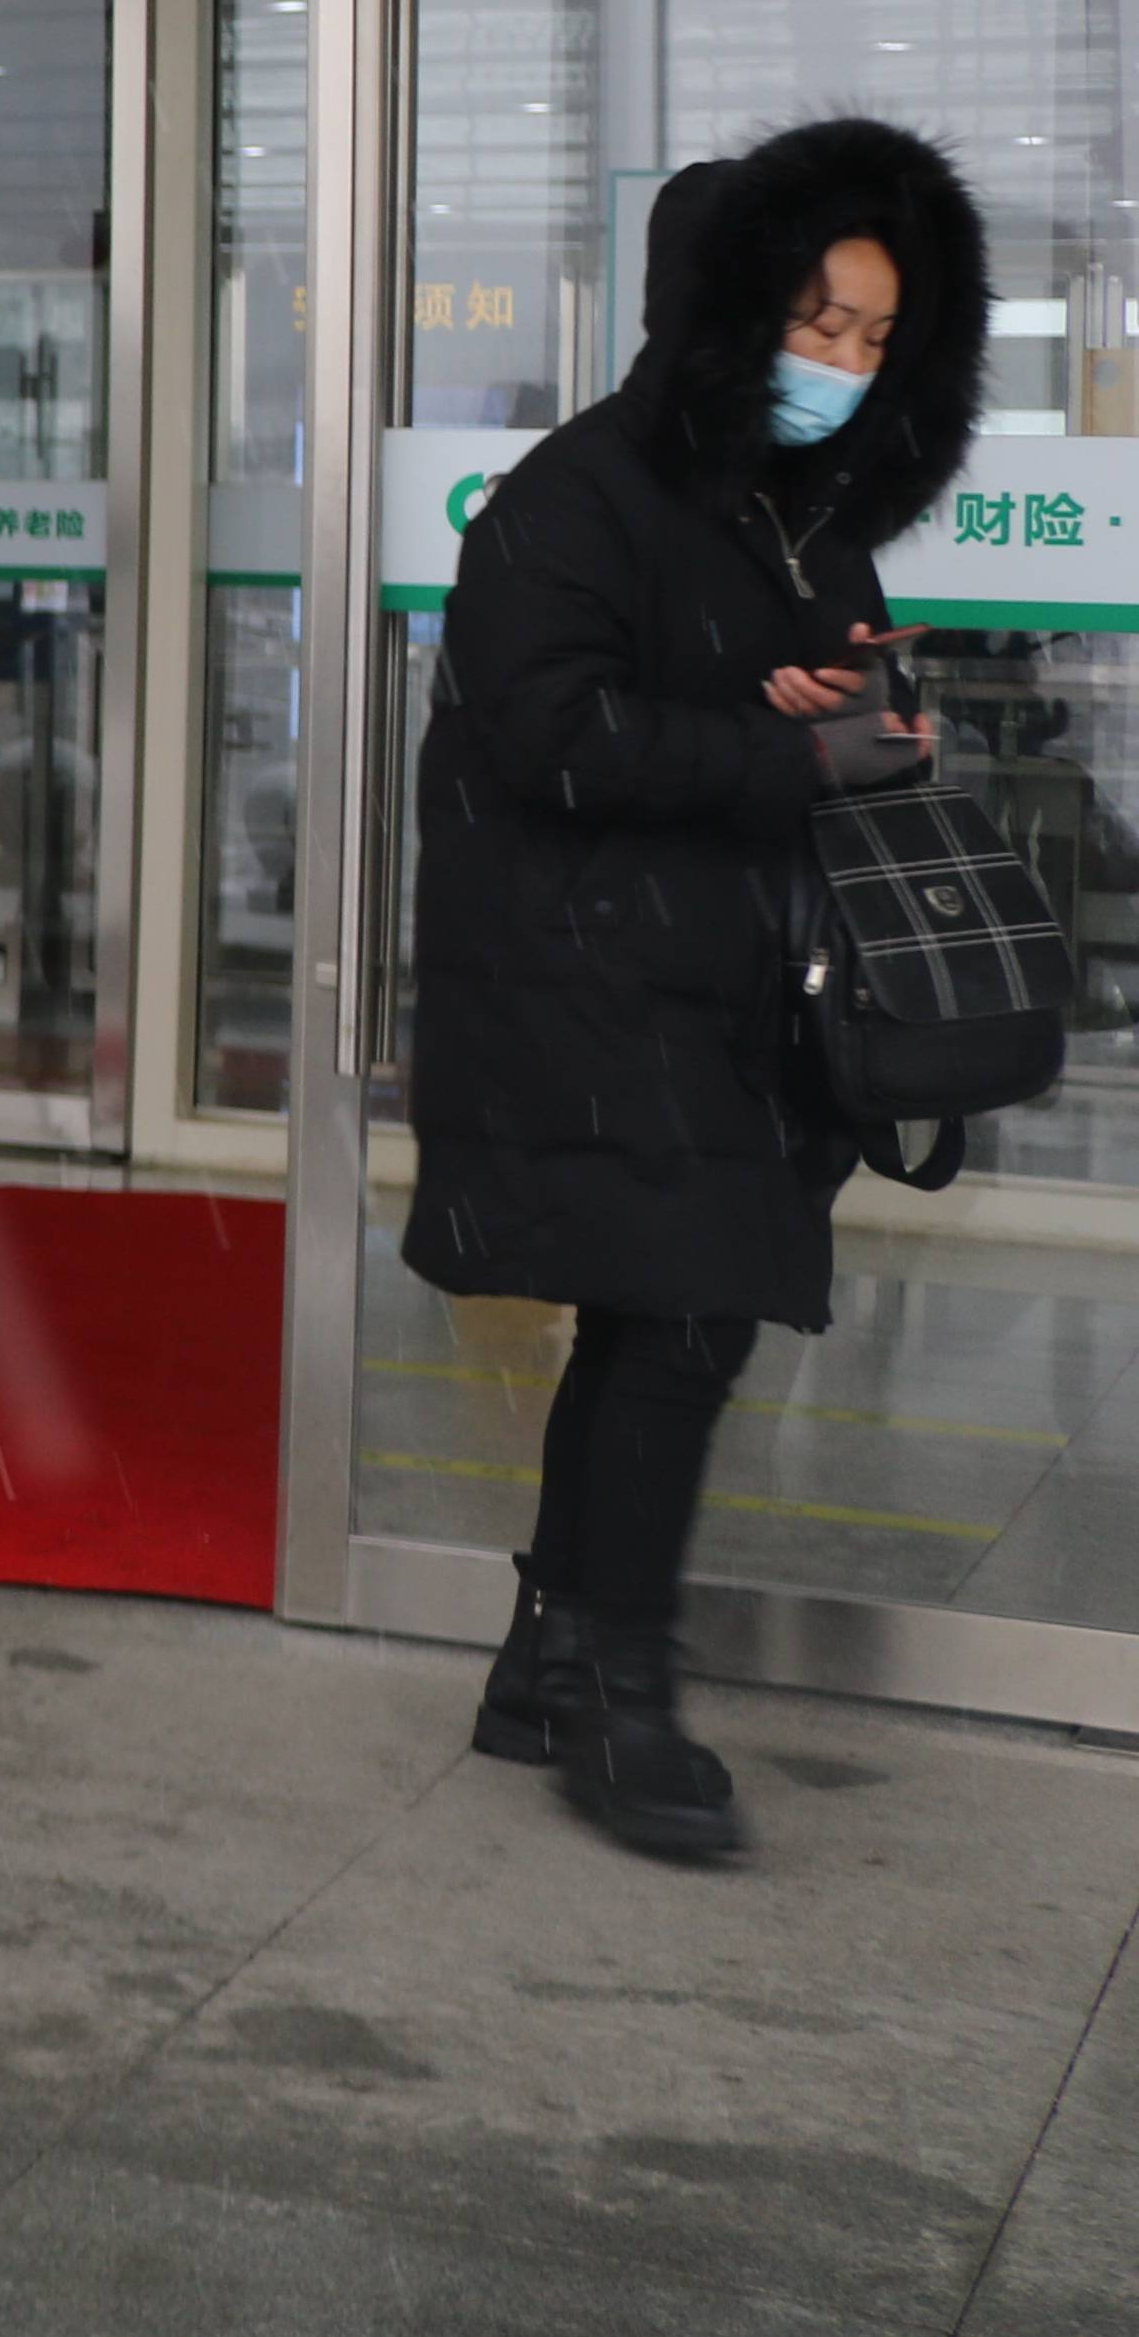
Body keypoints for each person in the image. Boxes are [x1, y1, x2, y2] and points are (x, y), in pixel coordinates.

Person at [410, 112, 986, 1866]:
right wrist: (785, 757)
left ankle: (548, 1659)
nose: (845, 366)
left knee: (663, 1320)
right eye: (821, 324)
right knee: (676, 1325)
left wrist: (880, 725)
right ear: (730, 312)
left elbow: (793, 708)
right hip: (587, 982)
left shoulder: (789, 511)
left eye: (879, 339)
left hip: (722, 983)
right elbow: (557, 737)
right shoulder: (571, 500)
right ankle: (624, 1695)